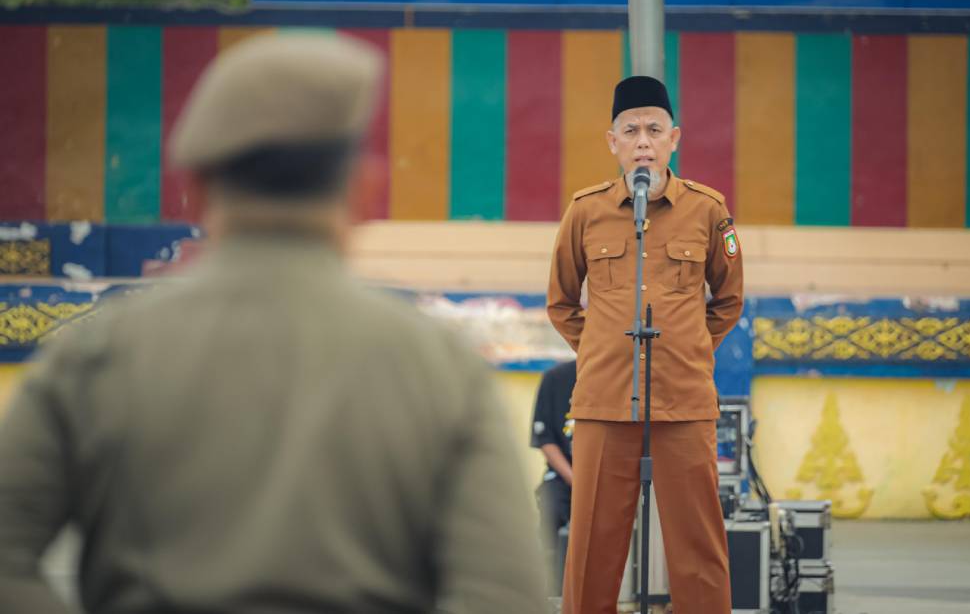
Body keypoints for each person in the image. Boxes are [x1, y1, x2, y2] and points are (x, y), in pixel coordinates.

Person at [0, 33, 548, 614]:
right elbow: (506, 596)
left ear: (195, 189)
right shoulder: (440, 369)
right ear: (363, 191)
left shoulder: (96, 354)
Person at [547, 75, 744, 614]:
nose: (643, 142)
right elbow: (561, 301)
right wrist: (602, 350)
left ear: (673, 139)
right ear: (612, 142)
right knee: (592, 548)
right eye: (630, 131)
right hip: (605, 402)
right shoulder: (585, 211)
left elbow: (729, 299)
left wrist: (689, 348)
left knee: (698, 547)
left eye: (654, 130)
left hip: (684, 401)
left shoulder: (708, 210)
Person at [529, 359, 575, 593]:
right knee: (551, 508)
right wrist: (575, 479)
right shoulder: (555, 377)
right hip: (562, 475)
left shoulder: (615, 376)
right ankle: (552, 590)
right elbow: (544, 439)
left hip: (607, 476)